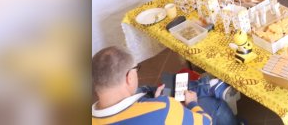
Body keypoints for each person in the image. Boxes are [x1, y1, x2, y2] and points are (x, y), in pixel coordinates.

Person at [92, 45, 237, 124]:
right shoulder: (163, 108)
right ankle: (208, 88)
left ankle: (206, 86)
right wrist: (192, 104)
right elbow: (206, 122)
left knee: (147, 90)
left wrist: (153, 101)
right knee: (212, 104)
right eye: (136, 69)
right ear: (129, 77)